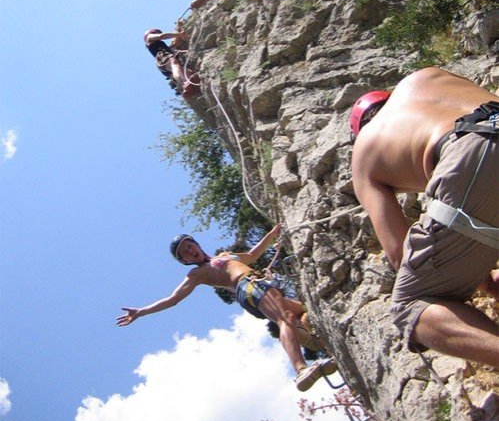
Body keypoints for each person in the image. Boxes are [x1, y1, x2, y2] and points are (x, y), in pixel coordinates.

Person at [350, 67, 499, 367]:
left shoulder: (364, 149)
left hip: (473, 153)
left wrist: (477, 278)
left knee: (409, 306)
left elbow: (400, 255)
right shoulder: (427, 77)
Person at [117, 224, 336, 391]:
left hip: (257, 284)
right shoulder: (197, 273)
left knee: (304, 311)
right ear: (184, 261)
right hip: (249, 287)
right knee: (285, 318)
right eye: (184, 252)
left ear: (196, 243)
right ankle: (300, 369)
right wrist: (142, 312)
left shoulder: (224, 256)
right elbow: (173, 299)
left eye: (189, 244)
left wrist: (272, 234)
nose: (189, 250)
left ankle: (319, 342)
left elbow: (252, 255)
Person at [144, 27, 200, 98]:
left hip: (165, 63)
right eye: (157, 33)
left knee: (189, 73)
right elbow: (163, 36)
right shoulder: (149, 38)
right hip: (163, 58)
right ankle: (185, 84)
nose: (159, 34)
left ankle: (194, 88)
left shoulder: (163, 46)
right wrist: (179, 34)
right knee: (174, 64)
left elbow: (176, 43)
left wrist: (178, 27)